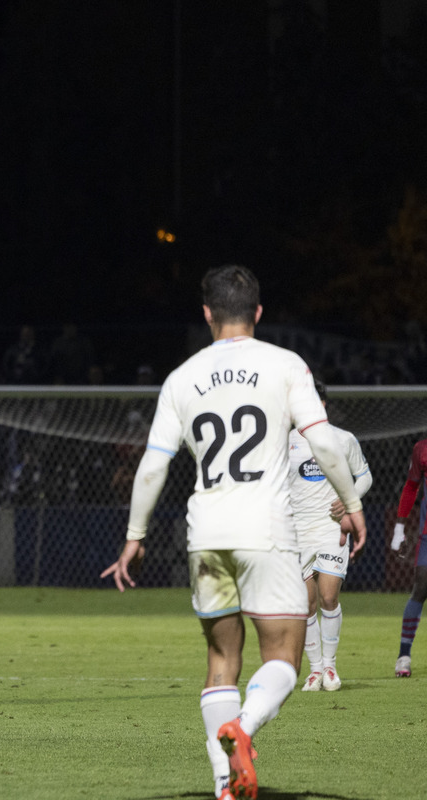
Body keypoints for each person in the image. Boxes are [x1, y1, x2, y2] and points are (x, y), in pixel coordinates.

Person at [100, 265, 367, 800]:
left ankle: (225, 784)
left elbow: (153, 467)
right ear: (259, 313)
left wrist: (134, 535)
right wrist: (353, 503)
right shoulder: (285, 365)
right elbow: (326, 444)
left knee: (221, 661)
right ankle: (243, 728)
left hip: (206, 533)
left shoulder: (182, 377)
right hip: (265, 529)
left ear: (206, 314)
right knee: (285, 657)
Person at [288, 378, 371, 692]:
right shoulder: (287, 443)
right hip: (296, 532)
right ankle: (313, 670)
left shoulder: (342, 439)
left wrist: (349, 501)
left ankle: (330, 667)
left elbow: (364, 476)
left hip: (330, 529)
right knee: (305, 603)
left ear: (322, 405)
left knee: (328, 596)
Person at [390, 437, 427, 677]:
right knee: (421, 587)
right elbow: (411, 486)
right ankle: (404, 656)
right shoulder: (421, 448)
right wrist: (399, 529)